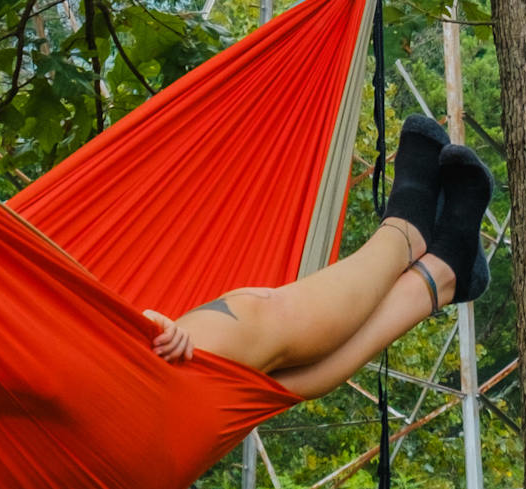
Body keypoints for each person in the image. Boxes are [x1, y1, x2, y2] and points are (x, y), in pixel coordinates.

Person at [145, 113, 488, 401]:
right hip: (125, 410)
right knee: (252, 320)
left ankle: (439, 275)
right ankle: (406, 235)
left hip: (136, 439)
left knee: (259, 386)